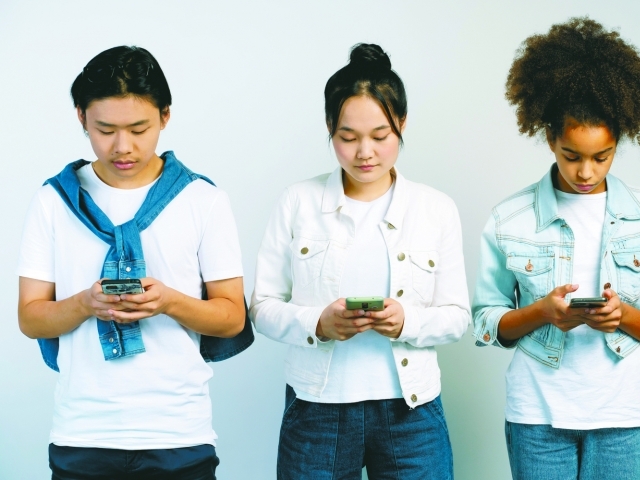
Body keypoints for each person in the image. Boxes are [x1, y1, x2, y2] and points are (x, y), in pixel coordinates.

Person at [17, 45, 252, 479]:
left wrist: (167, 302)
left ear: (165, 116)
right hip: (82, 436)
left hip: (178, 437)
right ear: (81, 117)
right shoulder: (53, 200)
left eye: (139, 128)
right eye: (105, 129)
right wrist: (86, 304)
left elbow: (231, 317)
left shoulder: (203, 200)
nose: (122, 146)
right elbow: (31, 319)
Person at [250, 43, 470, 479]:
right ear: (330, 128)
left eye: (380, 136)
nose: (364, 152)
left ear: (401, 124)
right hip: (316, 409)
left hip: (412, 412)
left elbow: (458, 315)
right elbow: (261, 305)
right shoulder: (298, 201)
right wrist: (319, 324)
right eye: (347, 138)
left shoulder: (435, 208)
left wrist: (407, 322)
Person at [472, 17, 640, 480]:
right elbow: (486, 322)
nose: (586, 172)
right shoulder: (510, 219)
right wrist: (544, 313)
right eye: (571, 156)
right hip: (537, 417)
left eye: (601, 157)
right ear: (549, 138)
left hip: (624, 418)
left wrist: (622, 315)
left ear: (619, 142)